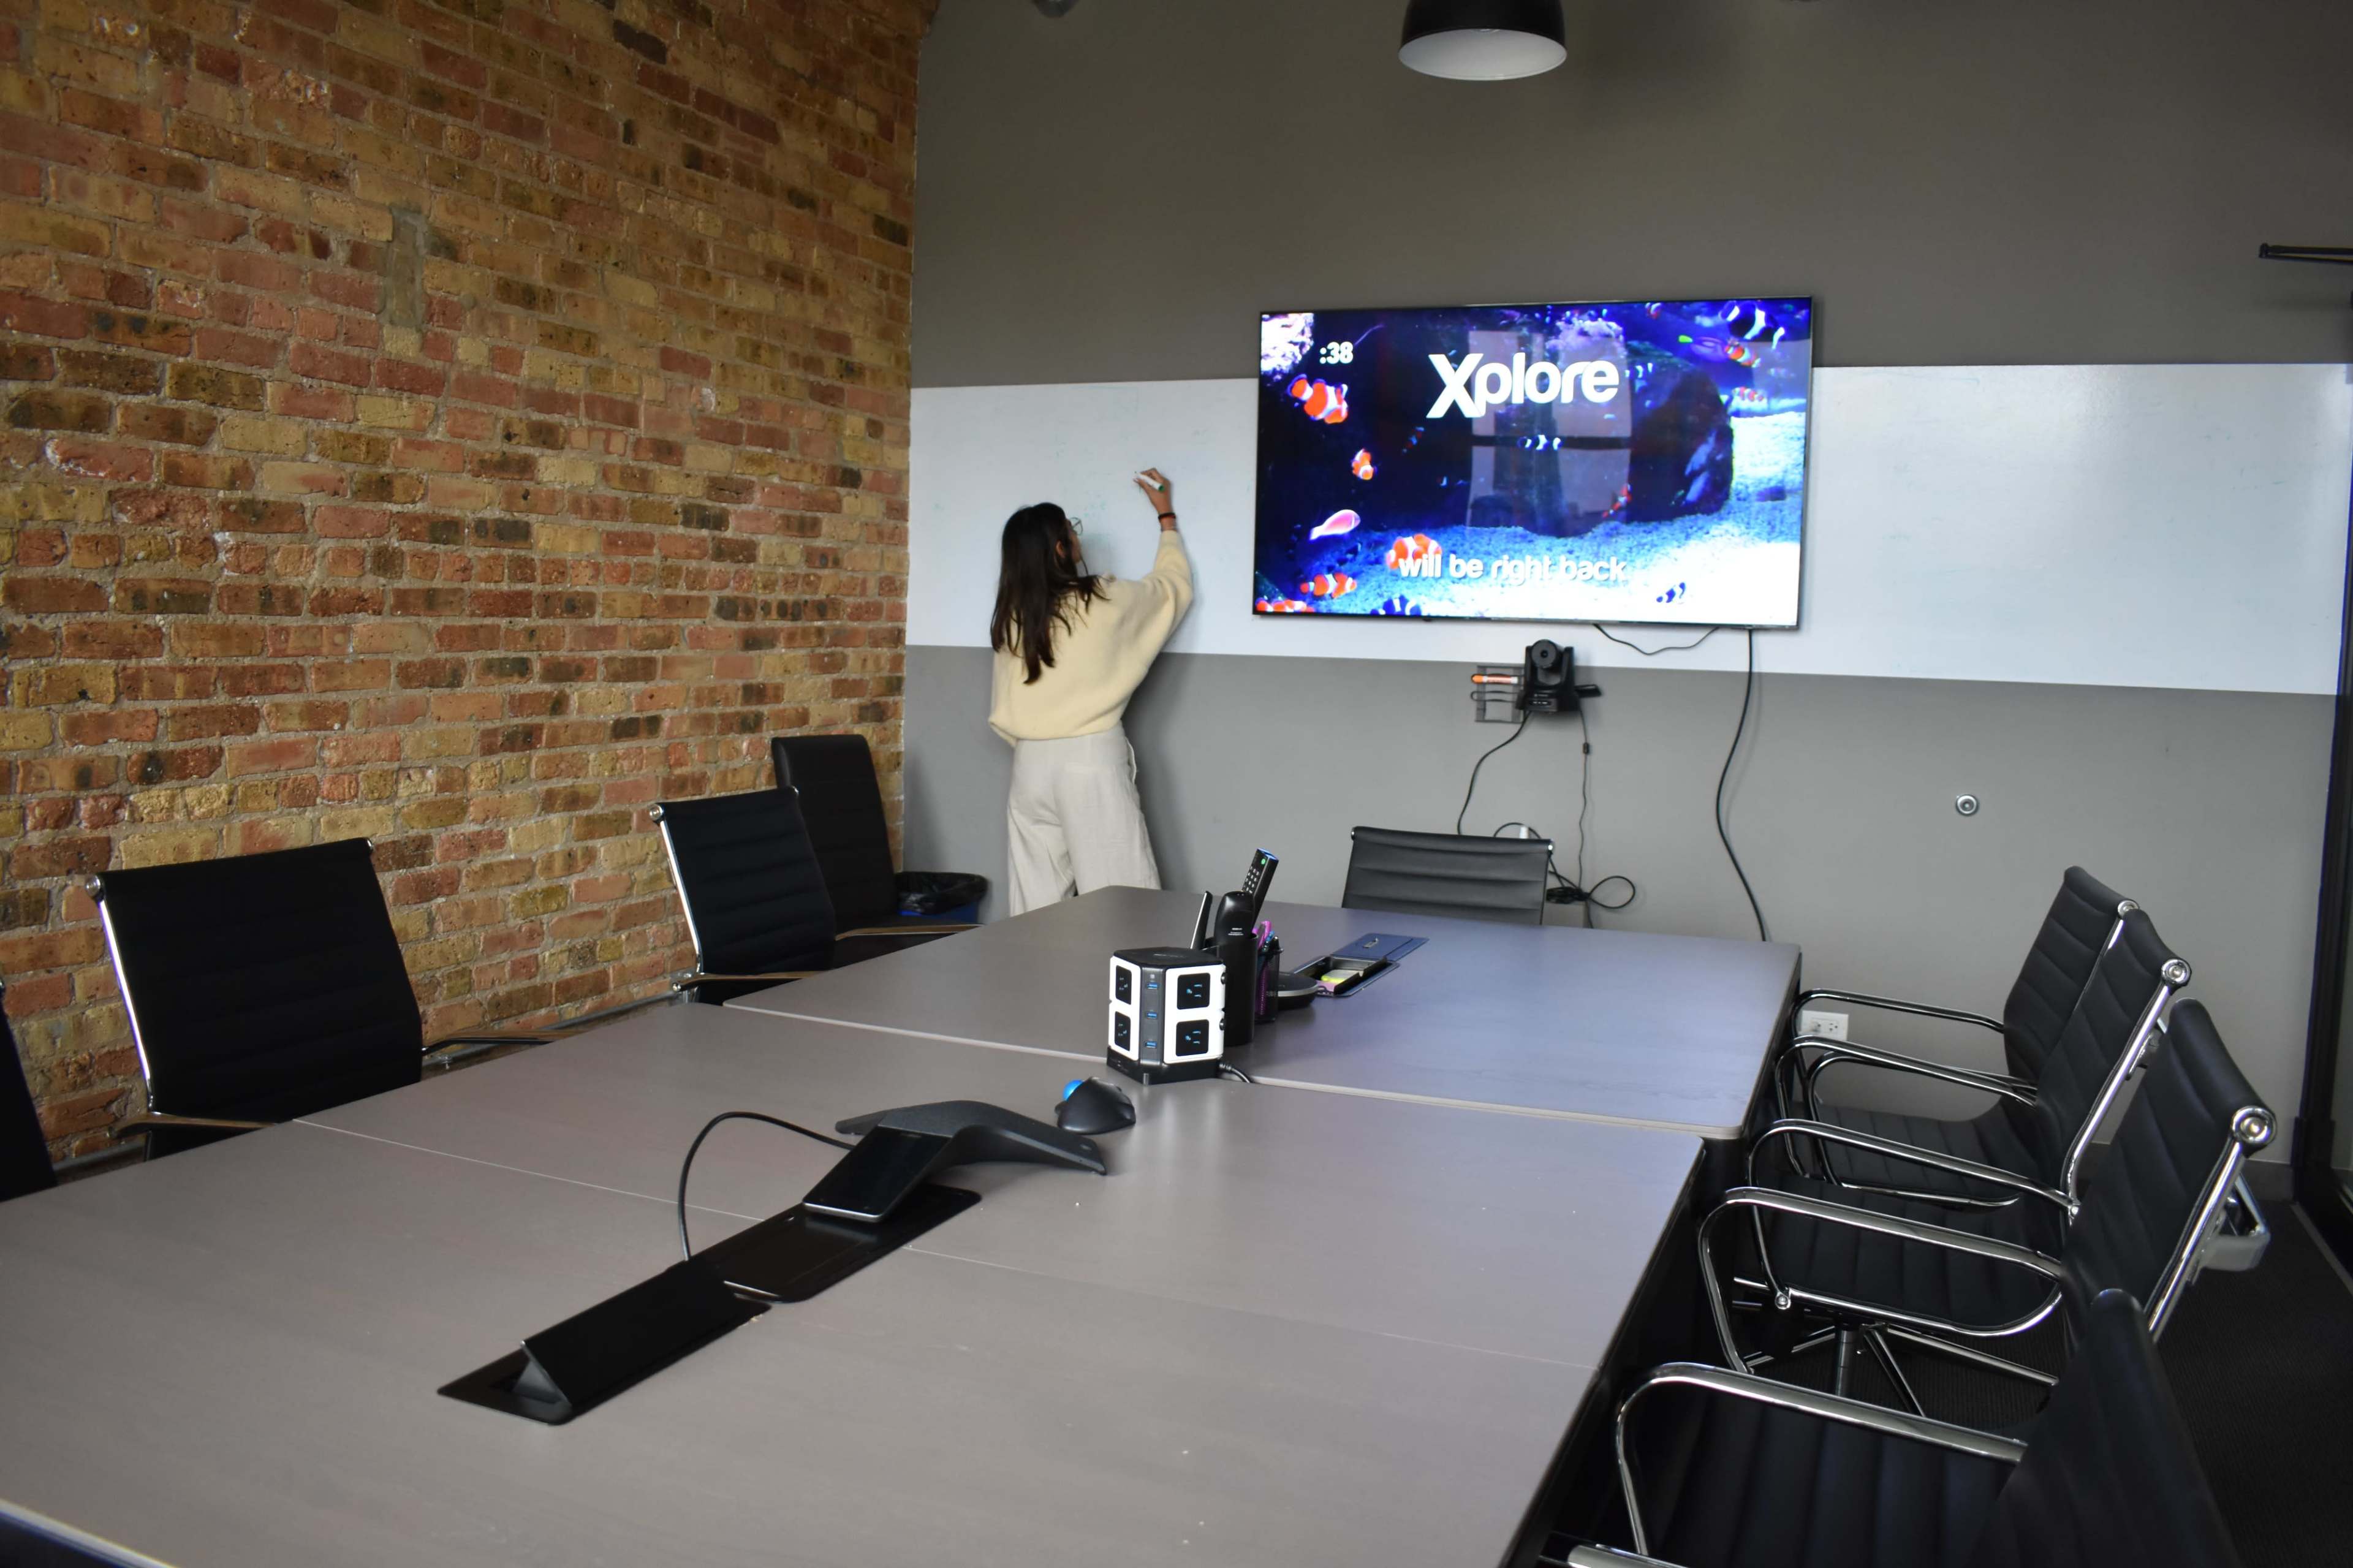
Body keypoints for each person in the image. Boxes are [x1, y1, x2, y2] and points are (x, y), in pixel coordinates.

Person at [988, 468, 1193, 915]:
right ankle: (1132, 986)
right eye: (1070, 532)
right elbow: (1172, 591)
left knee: (1034, 913)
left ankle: (1038, 988)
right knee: (1122, 902)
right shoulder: (1098, 598)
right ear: (1061, 548)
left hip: (1029, 766)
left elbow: (1005, 705)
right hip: (1089, 760)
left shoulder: (1013, 616)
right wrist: (1167, 519)